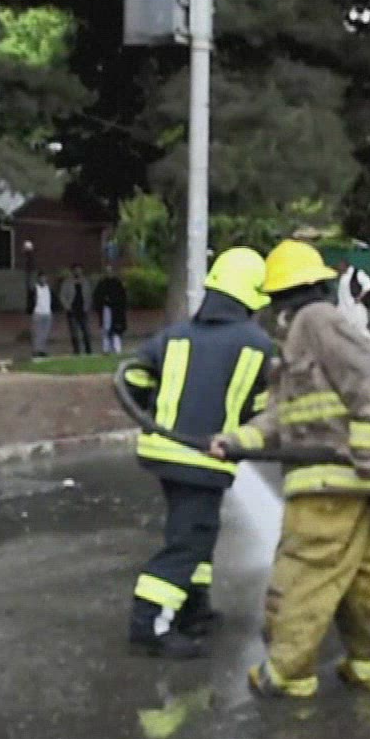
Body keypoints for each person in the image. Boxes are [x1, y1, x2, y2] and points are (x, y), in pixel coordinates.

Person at [211, 239, 370, 699]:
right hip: (341, 484)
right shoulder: (300, 336)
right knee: (361, 580)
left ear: (281, 296)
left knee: (300, 574)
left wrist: (363, 459)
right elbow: (281, 416)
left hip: (332, 484)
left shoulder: (317, 321)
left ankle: (287, 672)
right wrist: (236, 442)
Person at [119, 247, 275, 659]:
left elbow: (133, 380)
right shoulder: (258, 344)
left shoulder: (174, 335)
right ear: (251, 297)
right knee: (188, 541)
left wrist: (158, 411)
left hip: (162, 451)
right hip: (206, 456)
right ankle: (149, 626)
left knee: (195, 530)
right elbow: (262, 411)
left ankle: (193, 607)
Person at [335, 258, 370, 339]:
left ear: (345, 265)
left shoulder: (357, 273)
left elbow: (368, 285)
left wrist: (360, 297)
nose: (338, 268)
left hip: (355, 307)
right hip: (343, 307)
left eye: (340, 266)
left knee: (360, 329)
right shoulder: (342, 276)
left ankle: (368, 344)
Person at [94, 264, 129, 353]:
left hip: (116, 311)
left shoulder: (117, 284)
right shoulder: (102, 284)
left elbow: (122, 298)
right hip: (105, 310)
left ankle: (117, 348)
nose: (109, 273)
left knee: (116, 330)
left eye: (110, 271)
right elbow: (97, 297)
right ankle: (106, 348)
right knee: (105, 329)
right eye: (107, 271)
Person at [60, 264, 92, 355]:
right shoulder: (67, 282)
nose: (78, 272)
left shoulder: (85, 282)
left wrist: (87, 306)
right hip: (72, 310)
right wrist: (67, 306)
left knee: (86, 331)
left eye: (79, 270)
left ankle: (88, 351)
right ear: (73, 271)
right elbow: (62, 296)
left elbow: (89, 295)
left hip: (83, 310)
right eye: (76, 270)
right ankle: (77, 351)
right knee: (74, 332)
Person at [29, 271, 53, 358]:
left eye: (44, 278)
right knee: (37, 333)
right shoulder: (35, 289)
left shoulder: (48, 288)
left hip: (47, 313)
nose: (43, 279)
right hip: (38, 313)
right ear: (38, 279)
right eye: (41, 278)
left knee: (45, 333)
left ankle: (42, 350)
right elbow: (31, 300)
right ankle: (36, 350)